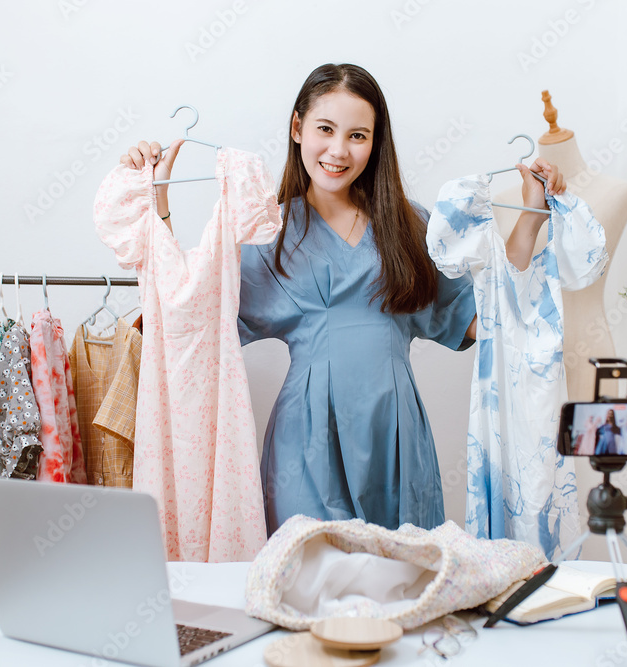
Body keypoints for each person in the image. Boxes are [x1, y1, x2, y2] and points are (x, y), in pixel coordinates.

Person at [121, 63, 565, 533]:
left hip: (396, 439)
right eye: (325, 129)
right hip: (305, 446)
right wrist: (159, 199)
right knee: (310, 584)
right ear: (297, 128)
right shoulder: (268, 230)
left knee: (405, 589)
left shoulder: (409, 227)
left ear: (375, 143)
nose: (338, 150)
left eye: (357, 135)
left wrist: (531, 216)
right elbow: (185, 314)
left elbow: (486, 315)